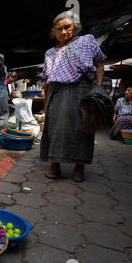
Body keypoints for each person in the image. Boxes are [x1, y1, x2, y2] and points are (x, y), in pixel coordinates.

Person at [40, 11, 106, 182]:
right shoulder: (50, 53)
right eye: (58, 29)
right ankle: (55, 165)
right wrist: (46, 104)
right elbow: (47, 80)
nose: (63, 32)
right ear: (53, 32)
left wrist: (98, 88)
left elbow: (99, 64)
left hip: (82, 89)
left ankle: (79, 167)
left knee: (81, 128)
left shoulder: (87, 41)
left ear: (75, 27)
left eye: (67, 27)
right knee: (54, 128)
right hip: (56, 91)